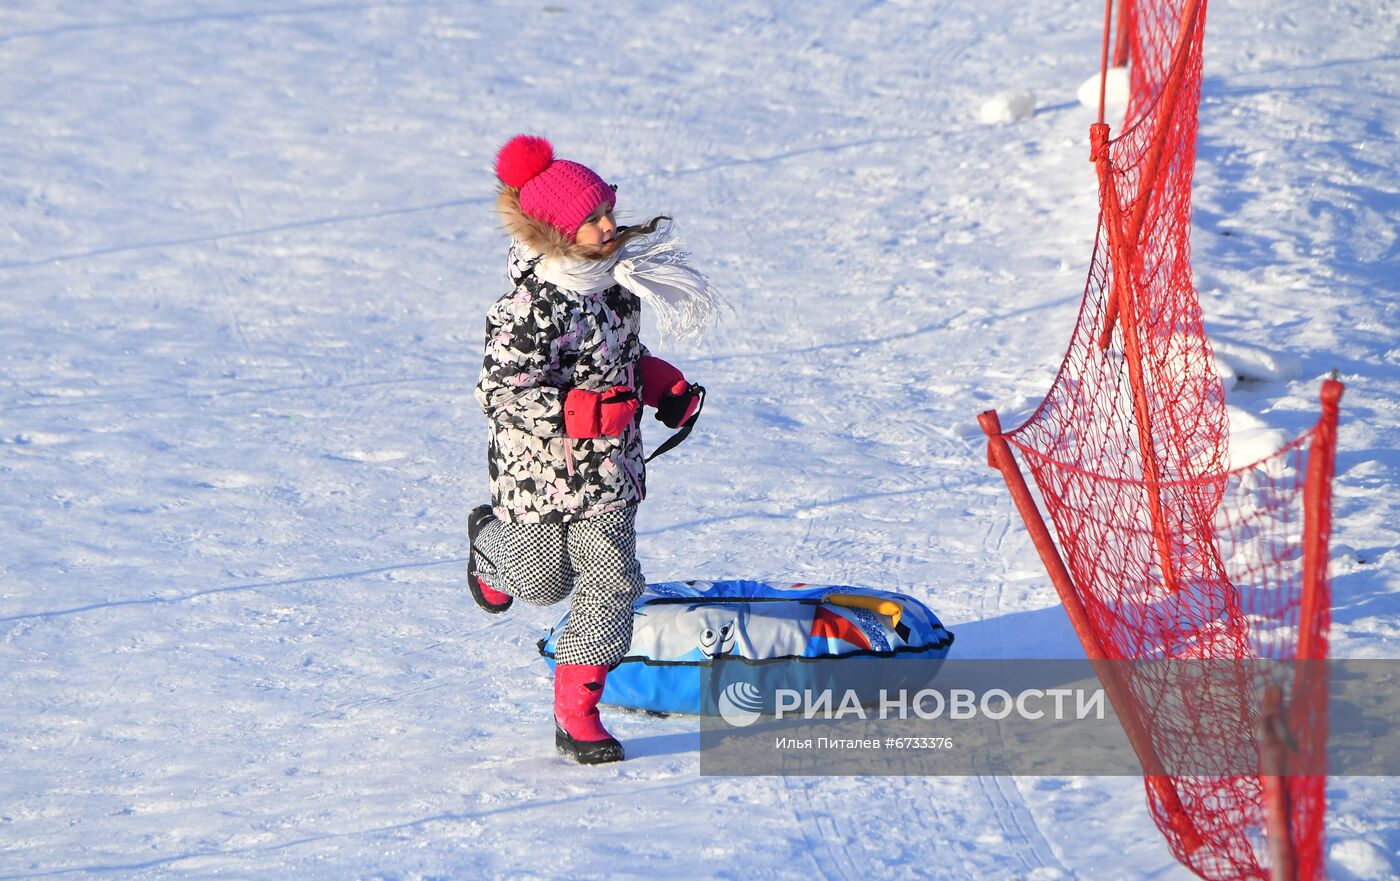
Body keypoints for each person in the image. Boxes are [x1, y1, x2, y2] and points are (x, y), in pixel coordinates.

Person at [468, 134, 723, 764]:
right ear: (554, 231)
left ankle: (578, 714)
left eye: (608, 210)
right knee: (538, 582)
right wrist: (575, 411)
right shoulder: (528, 307)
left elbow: (625, 359)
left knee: (609, 586)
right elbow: (499, 391)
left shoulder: (617, 286)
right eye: (592, 220)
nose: (610, 226)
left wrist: (663, 387)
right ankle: (488, 548)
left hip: (609, 473)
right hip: (536, 473)